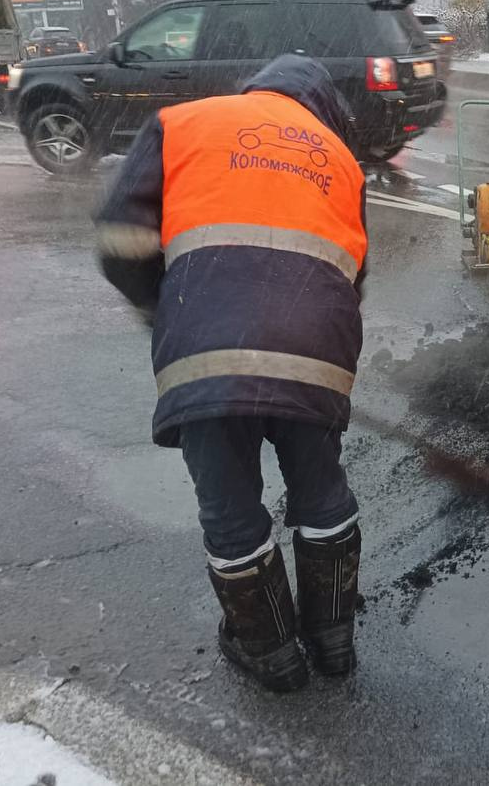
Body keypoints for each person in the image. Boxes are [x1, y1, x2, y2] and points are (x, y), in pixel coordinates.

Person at [94, 55, 368, 691]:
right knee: (320, 489)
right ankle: (334, 642)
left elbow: (121, 237)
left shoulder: (184, 122)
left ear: (257, 90)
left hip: (203, 350)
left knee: (230, 503)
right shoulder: (339, 159)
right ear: (325, 110)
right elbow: (353, 277)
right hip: (316, 352)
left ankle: (270, 653)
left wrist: (163, 310)